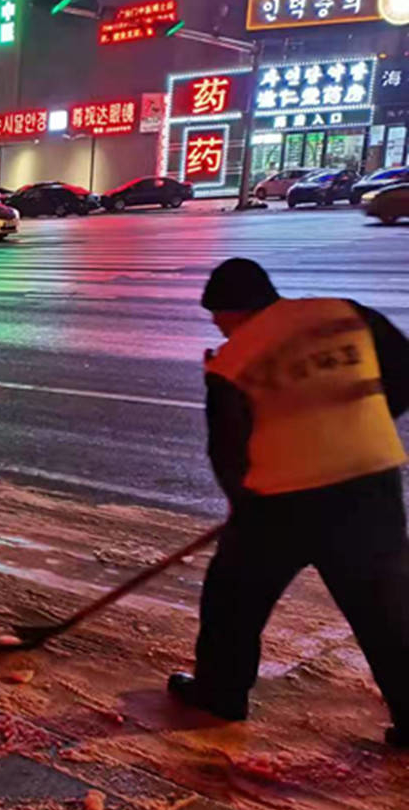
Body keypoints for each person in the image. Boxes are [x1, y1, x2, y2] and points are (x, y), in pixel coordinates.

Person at [169, 258, 409, 748]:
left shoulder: (234, 360)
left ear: (232, 310)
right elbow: (404, 373)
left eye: (217, 317)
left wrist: (242, 503)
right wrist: (358, 427)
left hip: (281, 503)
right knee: (387, 611)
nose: (218, 327)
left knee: (232, 600)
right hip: (372, 485)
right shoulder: (346, 314)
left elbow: (228, 450)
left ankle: (221, 694)